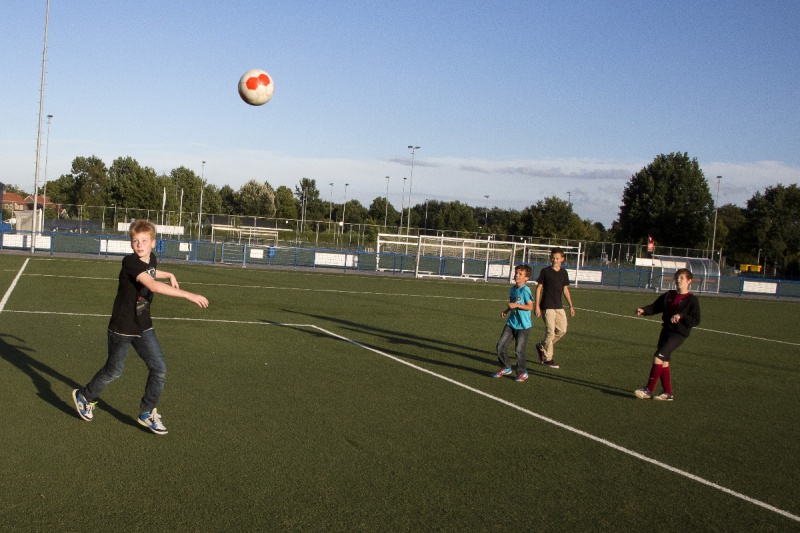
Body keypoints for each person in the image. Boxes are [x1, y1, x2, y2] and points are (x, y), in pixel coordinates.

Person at [72, 220, 209, 434]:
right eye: (135, 241)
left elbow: (152, 272)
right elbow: (152, 284)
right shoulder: (130, 262)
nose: (140, 244)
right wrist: (189, 295)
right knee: (114, 370)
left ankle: (146, 413)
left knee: (159, 368)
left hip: (143, 325)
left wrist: (170, 274)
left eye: (144, 240)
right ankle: (84, 396)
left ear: (153, 243)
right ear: (131, 244)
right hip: (122, 327)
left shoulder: (151, 259)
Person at [634, 268, 700, 401]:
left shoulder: (692, 300)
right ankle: (667, 393)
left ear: (689, 281)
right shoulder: (669, 295)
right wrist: (644, 310)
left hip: (678, 334)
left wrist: (681, 316)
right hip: (666, 331)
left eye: (682, 278)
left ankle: (648, 390)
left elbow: (695, 320)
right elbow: (655, 307)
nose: (678, 280)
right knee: (664, 361)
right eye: (677, 278)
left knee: (658, 356)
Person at [491, 264, 534, 382]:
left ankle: (522, 372)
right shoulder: (512, 289)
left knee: (519, 350)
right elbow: (512, 303)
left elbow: (530, 307)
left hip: (523, 326)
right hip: (511, 323)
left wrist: (517, 305)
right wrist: (506, 310)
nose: (517, 276)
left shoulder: (526, 290)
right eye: (516, 273)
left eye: (520, 274)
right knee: (500, 346)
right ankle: (505, 367)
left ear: (526, 278)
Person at [534, 248, 575, 368]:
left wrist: (571, 306)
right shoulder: (545, 271)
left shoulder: (564, 272)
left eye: (557, 258)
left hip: (559, 306)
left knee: (562, 330)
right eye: (553, 257)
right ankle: (548, 358)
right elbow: (539, 288)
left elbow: (565, 290)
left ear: (562, 259)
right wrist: (537, 306)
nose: (554, 260)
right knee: (550, 333)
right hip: (547, 306)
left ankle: (541, 346)